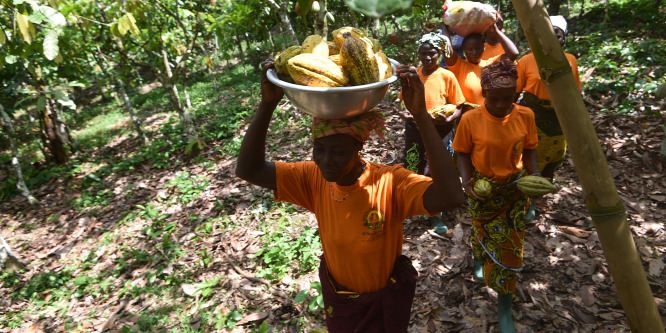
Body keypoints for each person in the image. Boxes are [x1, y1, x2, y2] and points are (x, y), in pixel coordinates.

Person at [236, 59, 465, 332]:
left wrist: (420, 116)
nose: (326, 161)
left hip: (382, 301)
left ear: (358, 147)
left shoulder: (389, 182)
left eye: (339, 151)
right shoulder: (312, 177)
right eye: (318, 149)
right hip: (341, 300)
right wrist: (267, 105)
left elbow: (451, 196)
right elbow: (249, 169)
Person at [451, 58, 539, 333]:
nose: (502, 105)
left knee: (511, 250)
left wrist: (535, 180)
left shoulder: (525, 115)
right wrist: (467, 181)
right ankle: (480, 256)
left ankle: (504, 309)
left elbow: (531, 148)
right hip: (482, 189)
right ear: (484, 94)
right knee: (482, 232)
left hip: (514, 189)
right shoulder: (470, 118)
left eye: (508, 98)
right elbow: (462, 151)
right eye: (495, 99)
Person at [515, 15, 582, 221]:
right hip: (531, 115)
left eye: (558, 34)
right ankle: (523, 198)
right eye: (548, 34)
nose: (553, 39)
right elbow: (515, 92)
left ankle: (535, 197)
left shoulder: (569, 60)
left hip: (559, 116)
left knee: (552, 157)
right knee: (527, 155)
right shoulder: (526, 60)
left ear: (564, 38)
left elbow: (575, 92)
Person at [398, 32, 466, 233]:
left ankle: (436, 213)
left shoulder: (447, 75)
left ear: (440, 53)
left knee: (437, 170)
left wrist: (450, 118)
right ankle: (413, 204)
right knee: (413, 166)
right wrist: (404, 114)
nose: (428, 58)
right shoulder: (413, 75)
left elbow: (460, 106)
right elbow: (402, 102)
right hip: (415, 130)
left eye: (432, 53)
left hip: (440, 130)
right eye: (423, 53)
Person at [442, 23, 519, 106]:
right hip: (467, 116)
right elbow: (447, 48)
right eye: (469, 49)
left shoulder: (491, 64)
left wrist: (496, 31)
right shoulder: (459, 66)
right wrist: (444, 26)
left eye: (478, 48)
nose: (474, 53)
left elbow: (513, 54)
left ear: (484, 47)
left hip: (491, 114)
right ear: (464, 50)